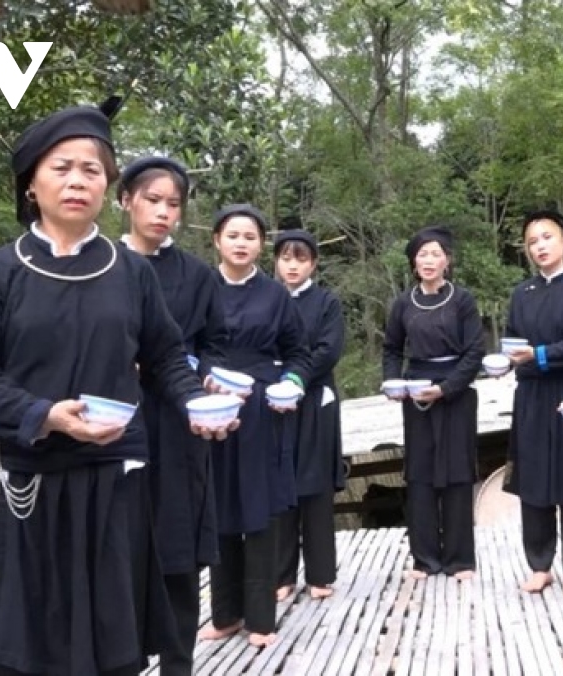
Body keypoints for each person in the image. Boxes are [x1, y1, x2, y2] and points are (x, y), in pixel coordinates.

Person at [0, 99, 232, 676]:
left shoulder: (131, 273)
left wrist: (194, 403)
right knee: (25, 645)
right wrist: (44, 414)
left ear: (107, 187)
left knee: (111, 641)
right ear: (32, 185)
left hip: (113, 482)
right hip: (26, 482)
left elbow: (166, 356)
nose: (78, 180)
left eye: (92, 169)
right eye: (62, 167)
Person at [117, 156, 227, 676]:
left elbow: (214, 344)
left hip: (180, 425)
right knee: (121, 549)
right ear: (126, 201)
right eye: (152, 200)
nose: (163, 212)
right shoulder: (100, 267)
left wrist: (203, 373)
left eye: (173, 204)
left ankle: (179, 664)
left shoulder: (197, 276)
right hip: (114, 426)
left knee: (179, 551)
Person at [197, 204, 312, 648]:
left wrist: (292, 384)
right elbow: (185, 346)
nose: (242, 243)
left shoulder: (275, 294)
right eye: (233, 235)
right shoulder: (201, 288)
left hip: (263, 409)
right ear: (217, 240)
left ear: (261, 244)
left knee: (258, 512)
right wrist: (203, 378)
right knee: (219, 509)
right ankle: (225, 614)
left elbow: (299, 353)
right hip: (211, 410)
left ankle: (262, 619)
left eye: (250, 236)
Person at [382, 226, 485, 579]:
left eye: (436, 253)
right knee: (421, 474)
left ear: (447, 260)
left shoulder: (462, 300)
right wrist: (393, 382)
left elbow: (475, 351)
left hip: (454, 393)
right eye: (422, 254)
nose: (429, 260)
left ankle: (460, 559)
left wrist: (446, 389)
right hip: (416, 393)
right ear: (413, 261)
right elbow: (392, 348)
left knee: (457, 473)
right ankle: (424, 559)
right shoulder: (402, 303)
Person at [502, 209, 563, 596]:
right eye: (532, 242)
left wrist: (539, 355)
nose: (539, 246)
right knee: (534, 478)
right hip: (530, 396)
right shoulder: (522, 294)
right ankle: (539, 564)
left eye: (546, 237)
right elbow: (511, 340)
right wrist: (506, 359)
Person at [272, 226, 347, 601]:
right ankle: (281, 576)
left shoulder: (326, 303)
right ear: (276, 261)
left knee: (315, 487)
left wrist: (295, 378)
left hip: (315, 400)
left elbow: (329, 350)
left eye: (300, 259)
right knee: (280, 486)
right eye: (286, 258)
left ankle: (320, 574)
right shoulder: (268, 299)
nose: (292, 266)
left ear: (313, 264)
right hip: (274, 404)